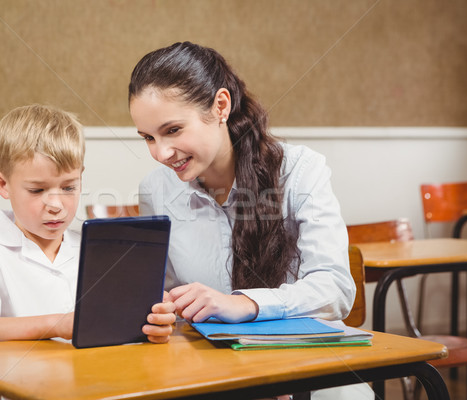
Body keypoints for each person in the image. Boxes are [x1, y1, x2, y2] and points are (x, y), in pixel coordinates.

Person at [129, 42, 373, 399]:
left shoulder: (300, 171)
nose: (161, 153)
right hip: (218, 376)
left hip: (313, 374)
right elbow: (167, 301)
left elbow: (335, 290)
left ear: (221, 106)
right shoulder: (155, 189)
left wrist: (245, 304)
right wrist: (160, 312)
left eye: (173, 130)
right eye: (148, 138)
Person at [0, 104, 175, 398]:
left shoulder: (95, 250)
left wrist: (152, 324)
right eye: (37, 190)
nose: (56, 204)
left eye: (68, 187)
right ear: (3, 183)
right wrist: (55, 324)